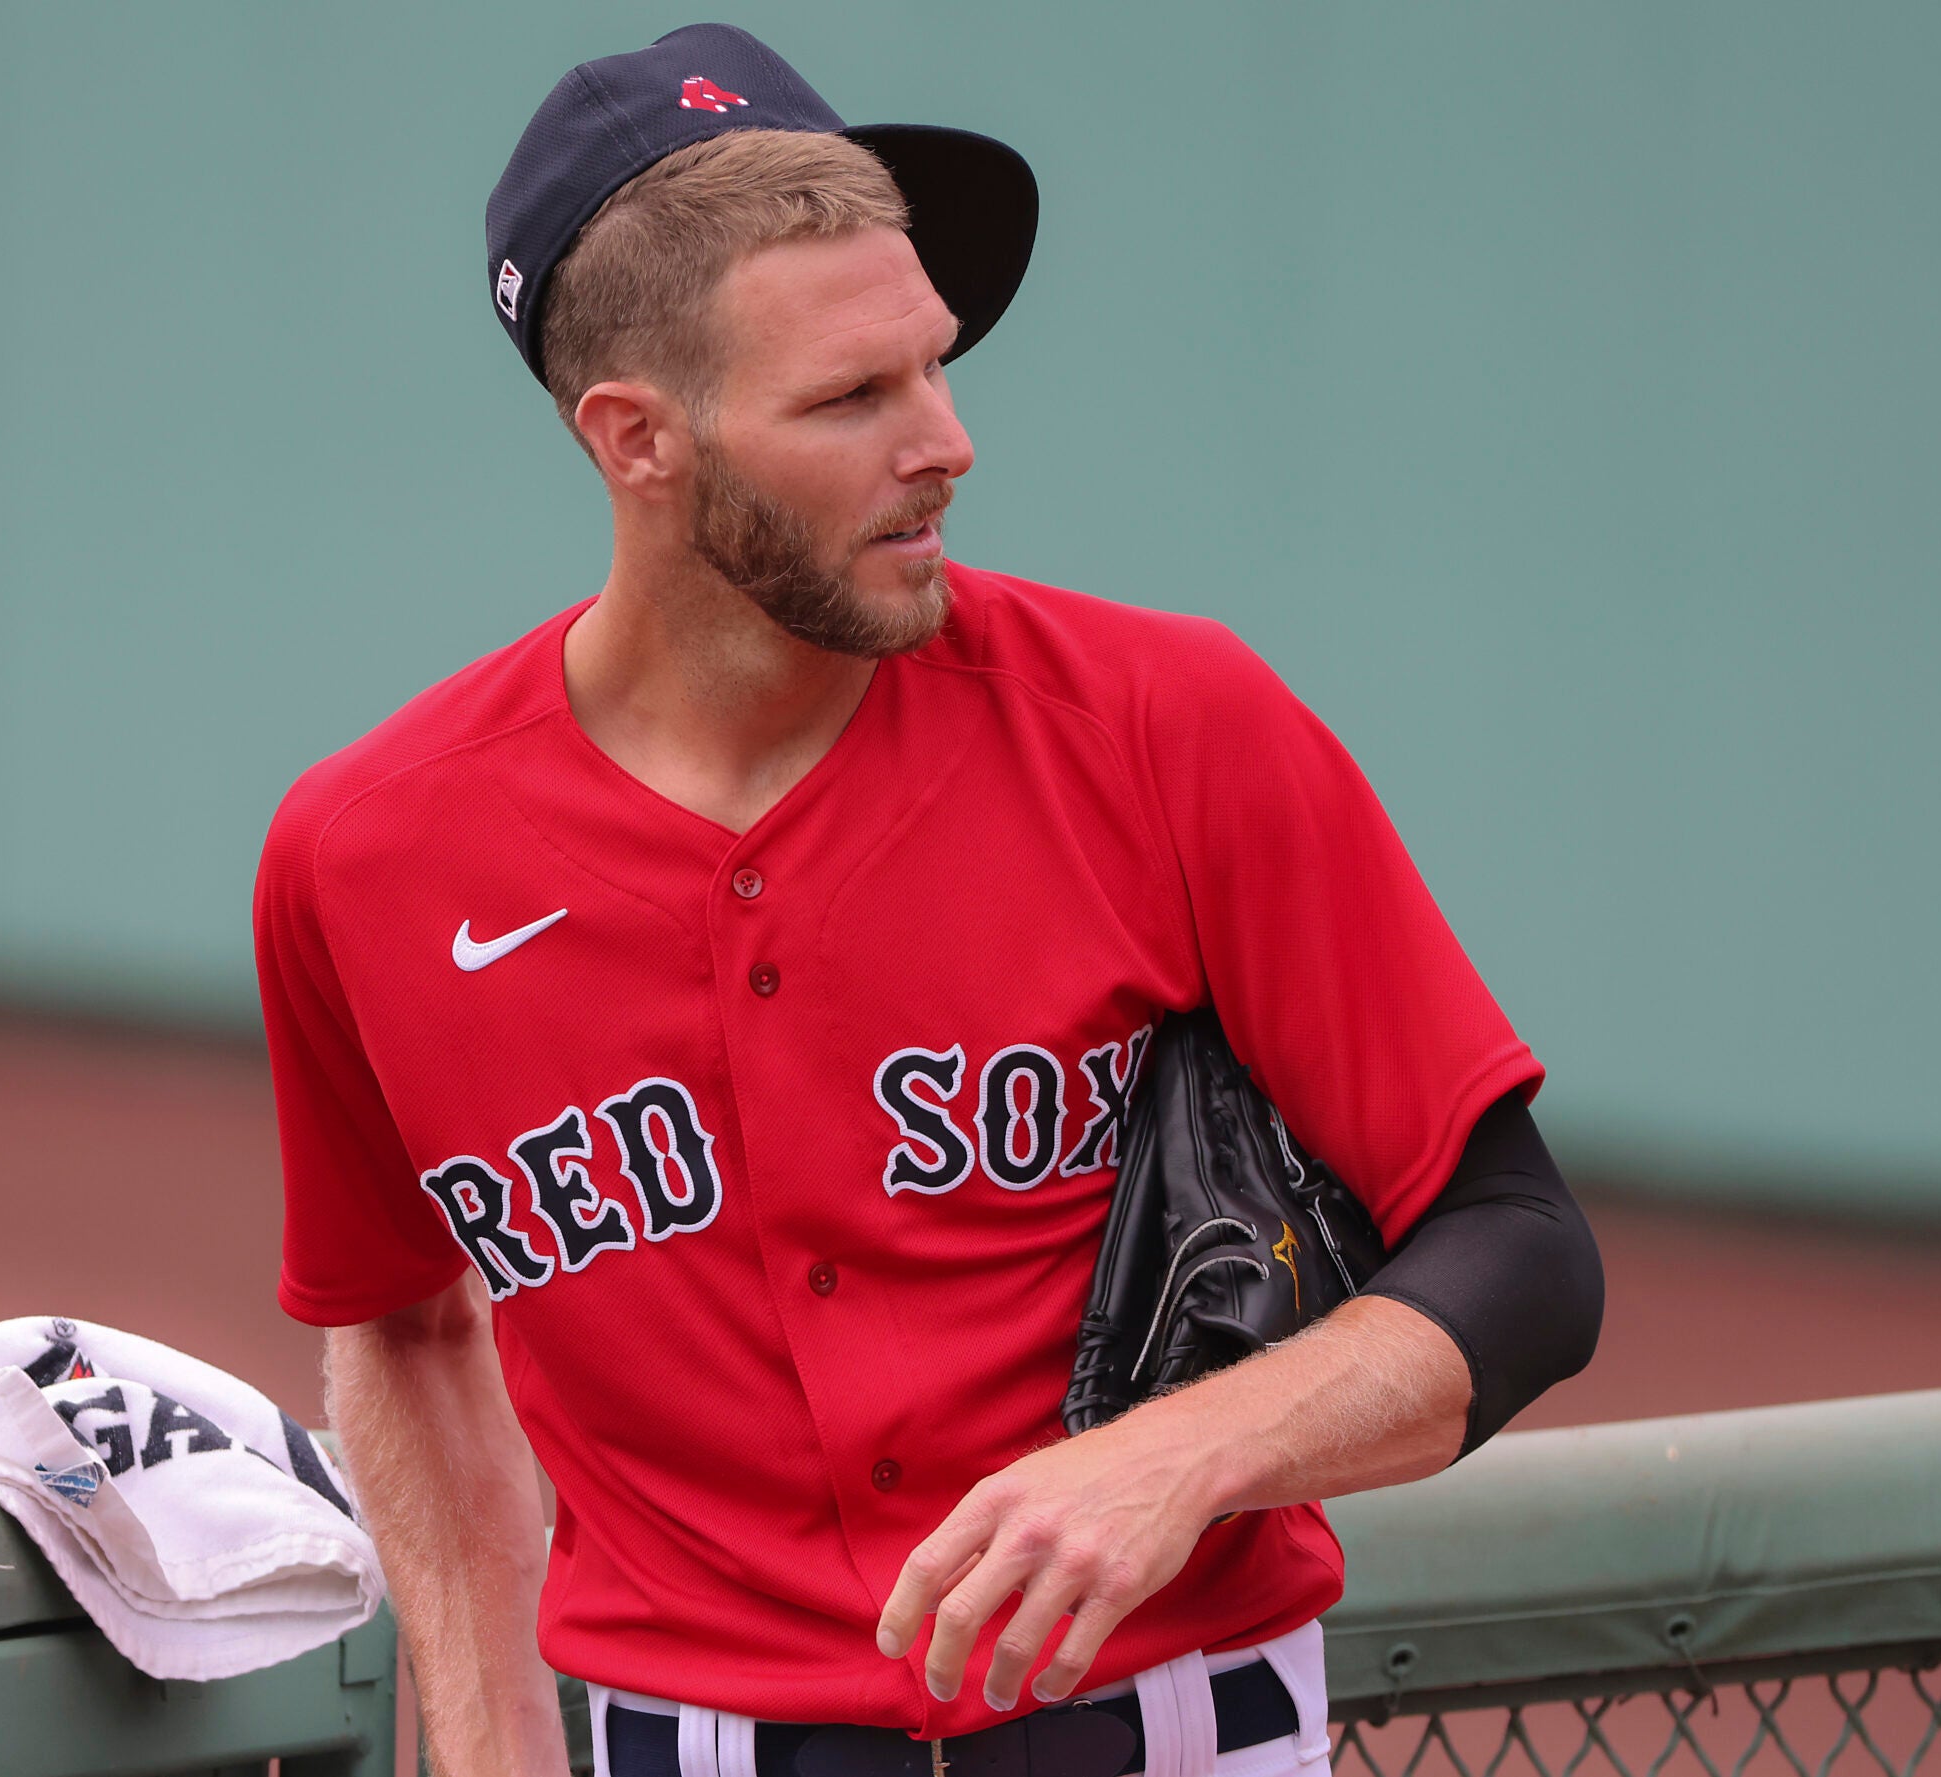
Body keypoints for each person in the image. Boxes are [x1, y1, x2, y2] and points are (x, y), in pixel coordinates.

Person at [254, 24, 1603, 1777]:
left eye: (938, 368)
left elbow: (1526, 1254)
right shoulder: (366, 858)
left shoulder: (1164, 726)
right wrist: (496, 1737)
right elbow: (404, 1321)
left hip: (1168, 1730)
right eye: (851, 399)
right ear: (636, 441)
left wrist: (1190, 1448)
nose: (947, 442)